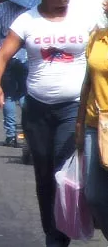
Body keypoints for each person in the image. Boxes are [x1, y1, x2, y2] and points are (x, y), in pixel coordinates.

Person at [0, 0, 100, 247]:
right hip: (36, 110)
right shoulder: (26, 21)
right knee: (44, 176)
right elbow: (1, 56)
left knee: (64, 172)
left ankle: (62, 234)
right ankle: (52, 232)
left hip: (73, 108)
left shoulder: (84, 18)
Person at [77, 13, 108, 238]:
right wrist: (79, 122)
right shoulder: (96, 38)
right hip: (94, 124)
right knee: (94, 195)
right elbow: (87, 82)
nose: (105, 4)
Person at [0, 0, 28, 147]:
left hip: (4, 53)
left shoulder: (1, 7)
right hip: (25, 53)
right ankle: (28, 133)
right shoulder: (30, 8)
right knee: (24, 94)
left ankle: (10, 135)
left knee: (8, 95)